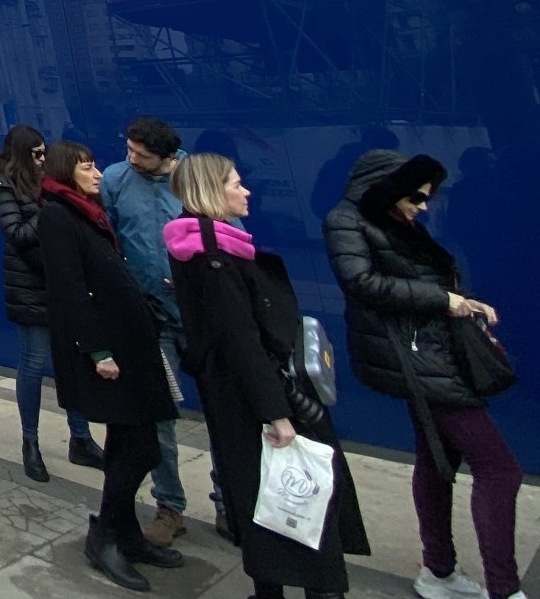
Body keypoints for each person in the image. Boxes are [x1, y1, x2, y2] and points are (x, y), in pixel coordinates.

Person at [325, 151, 523, 599]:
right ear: (386, 187)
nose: (424, 205)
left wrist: (464, 301)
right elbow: (361, 281)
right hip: (416, 358)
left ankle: (438, 572)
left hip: (430, 350)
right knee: (499, 469)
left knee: (437, 461)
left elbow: (420, 278)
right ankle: (504, 590)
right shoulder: (346, 219)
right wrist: (443, 301)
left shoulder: (391, 218)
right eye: (416, 196)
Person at [170, 154, 369, 599]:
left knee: (263, 498)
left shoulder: (207, 245)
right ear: (211, 191)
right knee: (293, 498)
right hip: (261, 397)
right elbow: (242, 341)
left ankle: (273, 589)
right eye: (236, 184)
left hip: (240, 395)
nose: (247, 191)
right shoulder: (214, 258)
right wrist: (277, 413)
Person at [39, 139, 183, 591]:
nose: (97, 173)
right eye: (86, 167)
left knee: (136, 441)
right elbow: (68, 286)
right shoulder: (57, 215)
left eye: (96, 165)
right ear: (67, 172)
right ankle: (105, 537)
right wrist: (97, 351)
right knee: (139, 443)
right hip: (106, 350)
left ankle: (124, 532)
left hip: (130, 342)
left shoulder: (89, 211)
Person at [102, 117, 219, 545]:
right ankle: (169, 505)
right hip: (150, 316)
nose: (132, 160)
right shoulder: (116, 178)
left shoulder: (196, 180)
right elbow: (109, 237)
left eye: (142, 156)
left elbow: (230, 236)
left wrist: (199, 274)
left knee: (220, 413)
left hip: (202, 315)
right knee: (160, 414)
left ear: (169, 157)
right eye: (129, 150)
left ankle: (229, 504)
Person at [0, 125, 101, 482]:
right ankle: (30, 443)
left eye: (45, 153)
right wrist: (51, 209)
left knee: (72, 361)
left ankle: (81, 437)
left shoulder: (46, 183)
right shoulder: (2, 183)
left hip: (62, 278)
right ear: (21, 154)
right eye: (36, 154)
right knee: (32, 363)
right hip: (29, 282)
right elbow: (15, 233)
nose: (43, 159)